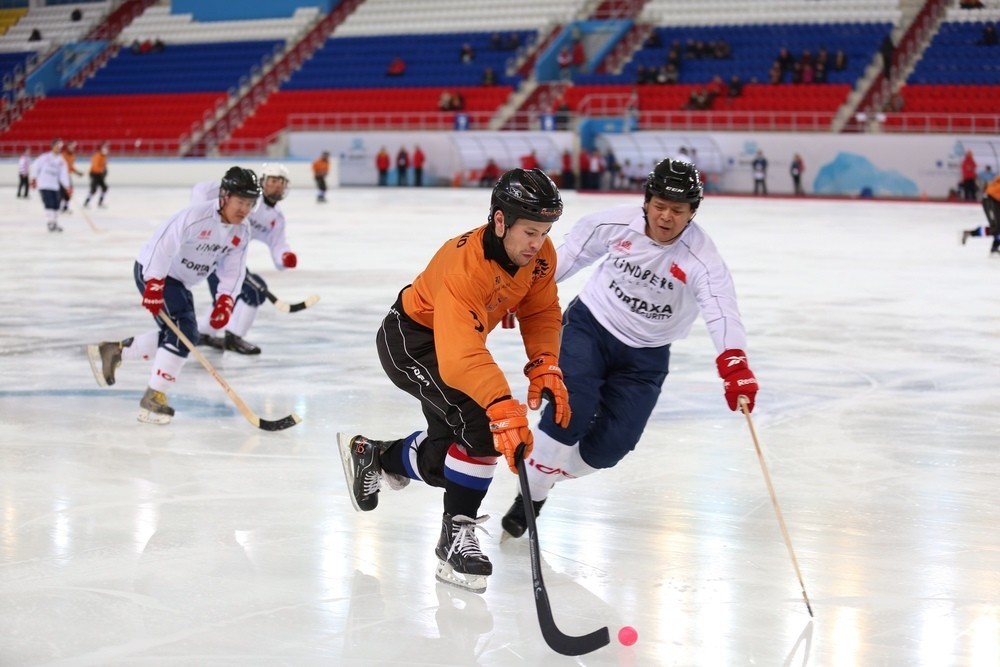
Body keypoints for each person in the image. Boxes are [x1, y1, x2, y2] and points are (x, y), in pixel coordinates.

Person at [338, 168, 569, 594]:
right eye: (529, 231)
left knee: (454, 456)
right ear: (500, 221)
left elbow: (540, 310)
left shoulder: (540, 256)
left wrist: (544, 362)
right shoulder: (464, 264)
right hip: (411, 340)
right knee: (483, 427)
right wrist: (501, 406)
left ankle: (377, 456)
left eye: (544, 231)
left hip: (452, 343)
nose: (537, 243)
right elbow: (460, 354)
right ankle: (453, 540)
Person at [499, 158, 758, 538]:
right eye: (659, 205)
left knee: (611, 448)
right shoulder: (614, 224)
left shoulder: (701, 257)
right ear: (646, 200)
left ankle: (543, 471)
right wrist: (519, 294)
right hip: (590, 327)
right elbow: (567, 257)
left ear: (693, 212)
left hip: (646, 355)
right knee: (571, 410)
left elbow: (722, 310)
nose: (666, 216)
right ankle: (532, 496)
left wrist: (734, 366)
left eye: (678, 209)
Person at [86, 167, 259, 423]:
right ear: (224, 196)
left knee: (180, 333)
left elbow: (234, 270)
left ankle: (115, 351)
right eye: (240, 201)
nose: (244, 209)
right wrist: (154, 283)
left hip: (179, 281)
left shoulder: (242, 230)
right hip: (156, 271)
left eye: (250, 203)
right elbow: (163, 245)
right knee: (185, 332)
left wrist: (225, 300)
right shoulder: (196, 216)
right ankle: (153, 397)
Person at [190, 163, 296, 355]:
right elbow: (203, 190)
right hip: (211, 251)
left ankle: (203, 333)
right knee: (253, 291)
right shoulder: (246, 198)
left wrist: (284, 257)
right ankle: (234, 337)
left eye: (281, 182)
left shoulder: (276, 217)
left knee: (225, 296)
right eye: (273, 181)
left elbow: (278, 243)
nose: (277, 186)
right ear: (263, 181)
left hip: (230, 255)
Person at [29, 138, 71, 233]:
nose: (58, 148)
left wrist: (67, 186)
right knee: (49, 204)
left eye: (59, 146)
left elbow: (63, 175)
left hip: (55, 186)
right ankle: (50, 222)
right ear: (52, 146)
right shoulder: (44, 157)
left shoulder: (61, 161)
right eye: (56, 146)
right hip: (44, 185)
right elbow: (35, 166)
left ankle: (55, 222)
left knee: (56, 205)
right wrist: (33, 178)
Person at [961, 172, 1000, 254]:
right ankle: (994, 248)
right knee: (996, 228)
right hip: (990, 201)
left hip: (995, 201)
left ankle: (994, 248)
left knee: (997, 228)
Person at [84, 141, 110, 208]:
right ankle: (86, 202)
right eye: (104, 147)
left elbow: (104, 165)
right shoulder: (97, 155)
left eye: (107, 147)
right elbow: (95, 166)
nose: (106, 149)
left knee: (105, 188)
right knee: (93, 190)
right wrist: (101, 170)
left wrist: (105, 170)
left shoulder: (104, 156)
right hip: (94, 174)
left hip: (99, 175)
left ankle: (100, 202)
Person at [60, 140, 83, 212]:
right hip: (61, 176)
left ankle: (65, 207)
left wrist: (77, 172)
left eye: (72, 147)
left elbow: (71, 167)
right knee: (61, 192)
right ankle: (58, 206)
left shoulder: (73, 156)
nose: (71, 149)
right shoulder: (62, 156)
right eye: (70, 147)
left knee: (69, 191)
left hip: (67, 176)